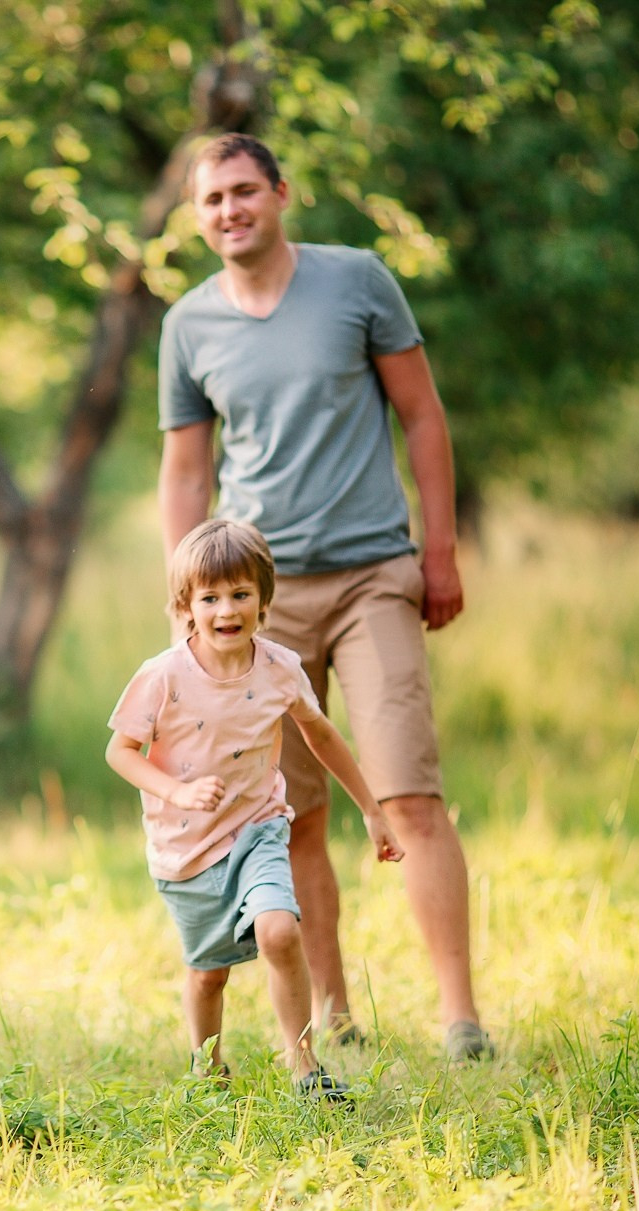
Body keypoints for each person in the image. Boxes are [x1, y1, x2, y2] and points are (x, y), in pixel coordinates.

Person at [156, 132, 493, 1061]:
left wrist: (441, 548)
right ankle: (333, 1015)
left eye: (244, 191)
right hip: (256, 604)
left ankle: (461, 1019)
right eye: (212, 199)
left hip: (375, 575)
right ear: (198, 217)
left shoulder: (357, 282)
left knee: (407, 794)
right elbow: (186, 474)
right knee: (290, 815)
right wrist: (186, 603)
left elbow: (422, 415)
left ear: (280, 193)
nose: (230, 210)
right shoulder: (189, 326)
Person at [106, 519, 403, 1096]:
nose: (227, 609)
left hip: (257, 828)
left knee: (279, 932)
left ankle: (304, 1066)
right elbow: (120, 752)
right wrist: (177, 792)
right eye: (211, 597)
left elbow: (321, 736)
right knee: (208, 974)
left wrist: (371, 807)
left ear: (264, 599)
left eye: (241, 594)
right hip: (185, 847)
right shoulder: (162, 676)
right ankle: (206, 1067)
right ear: (186, 604)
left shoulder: (278, 669)